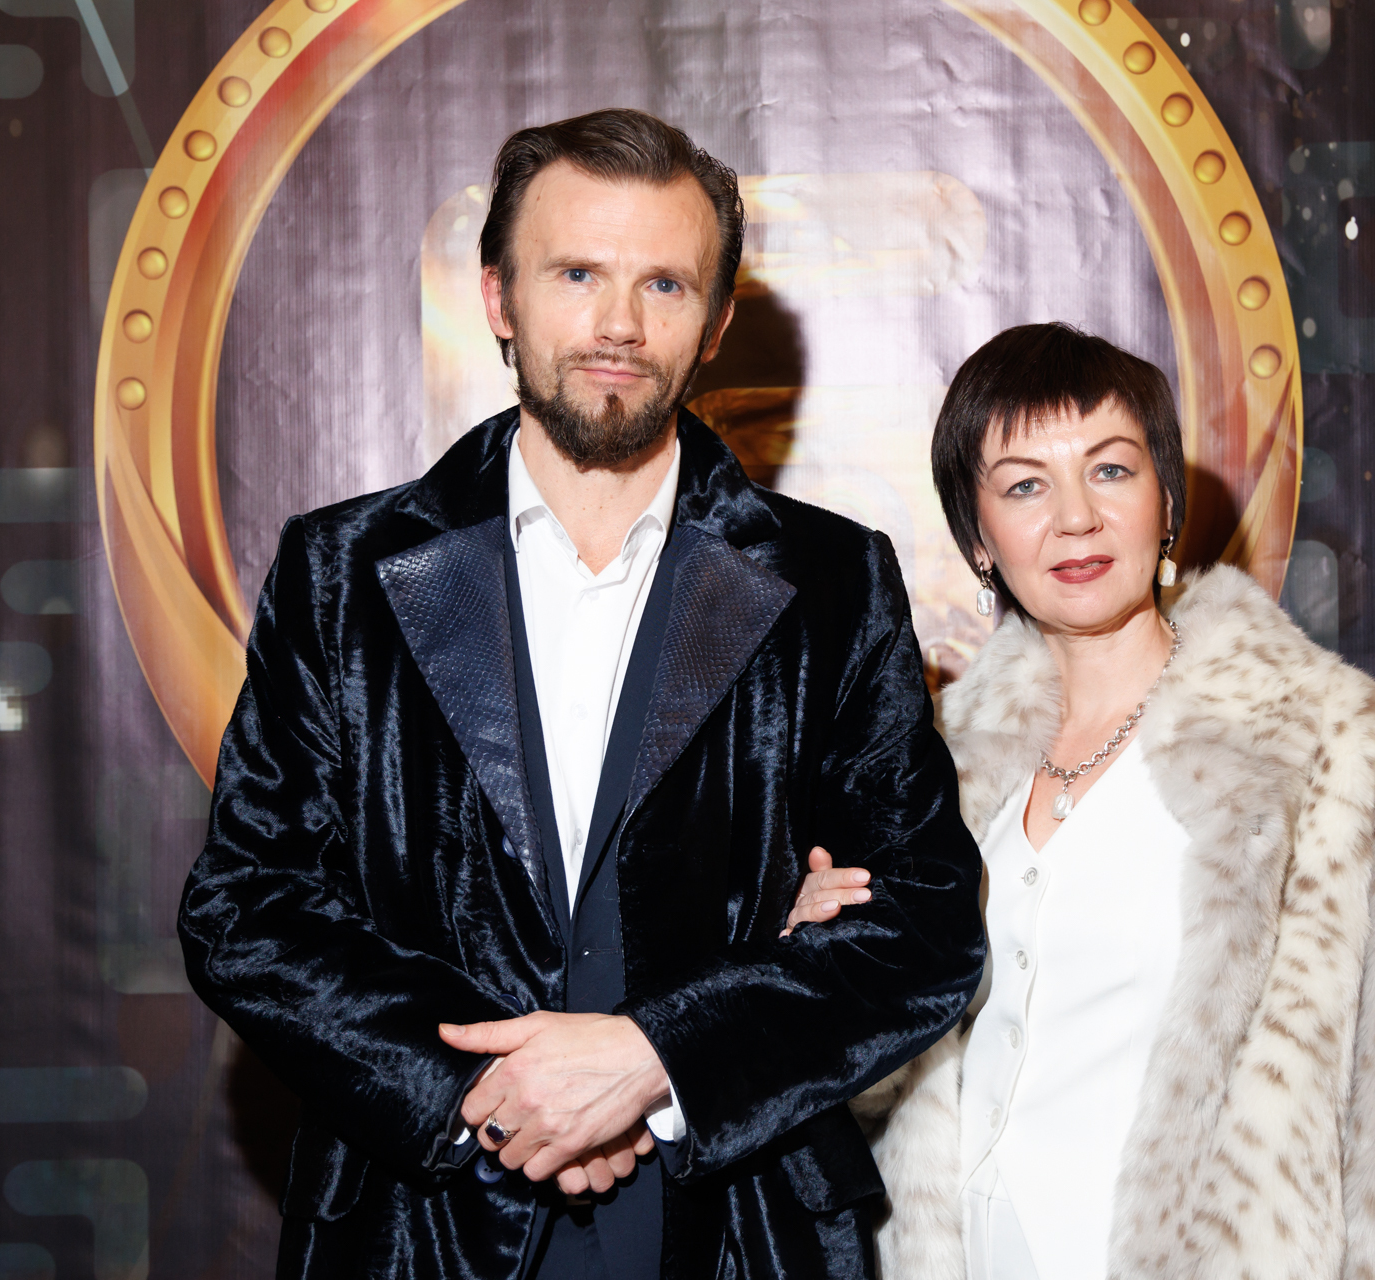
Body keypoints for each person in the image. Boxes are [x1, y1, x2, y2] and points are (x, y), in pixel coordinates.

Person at [179, 108, 986, 1280]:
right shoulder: (342, 571)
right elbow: (246, 908)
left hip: (732, 1221)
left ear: (715, 323)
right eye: (576, 274)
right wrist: (491, 1086)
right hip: (420, 1223)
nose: (619, 324)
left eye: (665, 283)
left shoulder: (830, 578)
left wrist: (660, 1058)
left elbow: (923, 921)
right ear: (498, 298)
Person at [788, 324, 1375, 1279]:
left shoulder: (1337, 751)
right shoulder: (924, 767)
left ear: (1165, 503)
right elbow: (872, 1098)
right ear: (978, 539)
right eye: (1025, 486)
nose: (1076, 518)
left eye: (1111, 470)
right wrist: (830, 967)